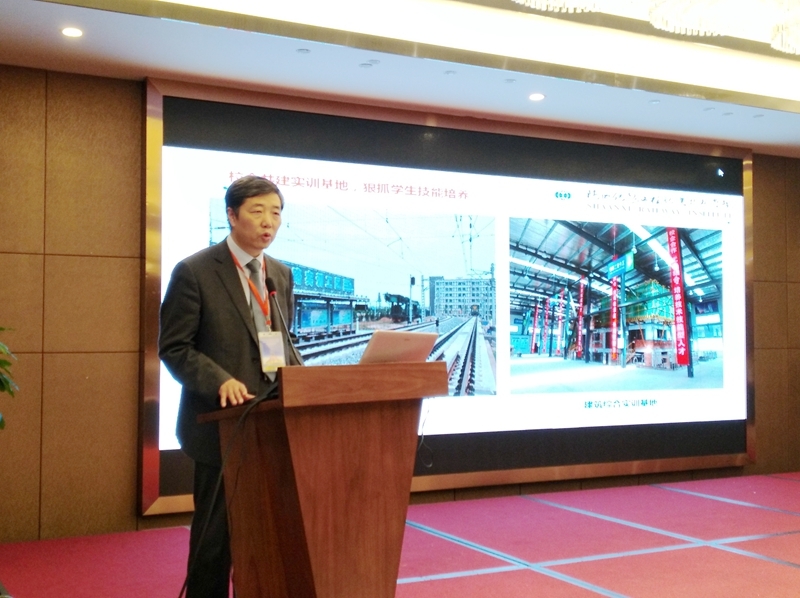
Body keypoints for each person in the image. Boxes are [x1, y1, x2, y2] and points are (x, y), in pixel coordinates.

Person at [159, 175, 301, 598]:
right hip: (222, 428)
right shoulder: (196, 271)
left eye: (276, 213)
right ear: (232, 215)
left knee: (269, 537)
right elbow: (175, 347)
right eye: (258, 211)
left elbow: (280, 343)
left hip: (272, 425)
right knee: (215, 543)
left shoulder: (280, 274)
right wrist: (219, 380)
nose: (269, 222)